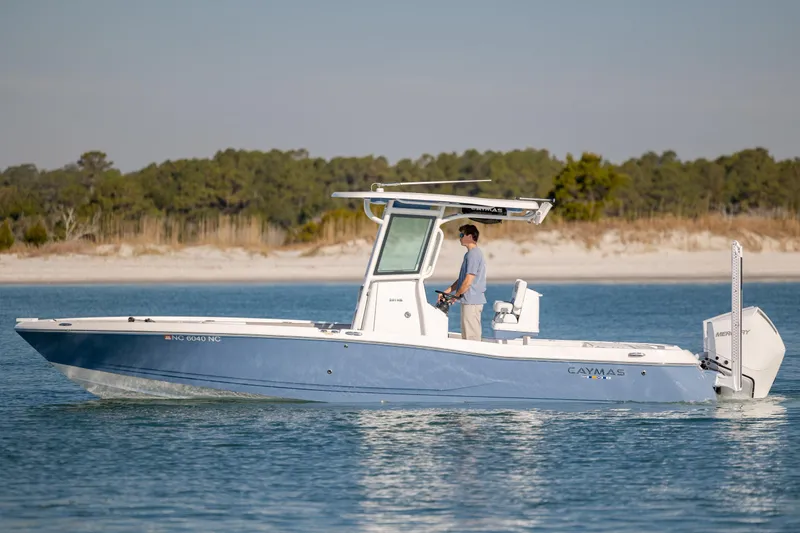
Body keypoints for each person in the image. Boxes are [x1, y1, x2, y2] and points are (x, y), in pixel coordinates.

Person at [438, 224, 487, 341]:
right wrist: (448, 291)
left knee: (472, 338)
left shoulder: (474, 254)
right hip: (468, 300)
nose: (459, 237)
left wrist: (456, 296)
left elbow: (468, 281)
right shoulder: (469, 254)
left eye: (461, 235)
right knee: (467, 336)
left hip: (472, 301)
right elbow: (462, 279)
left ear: (469, 237)